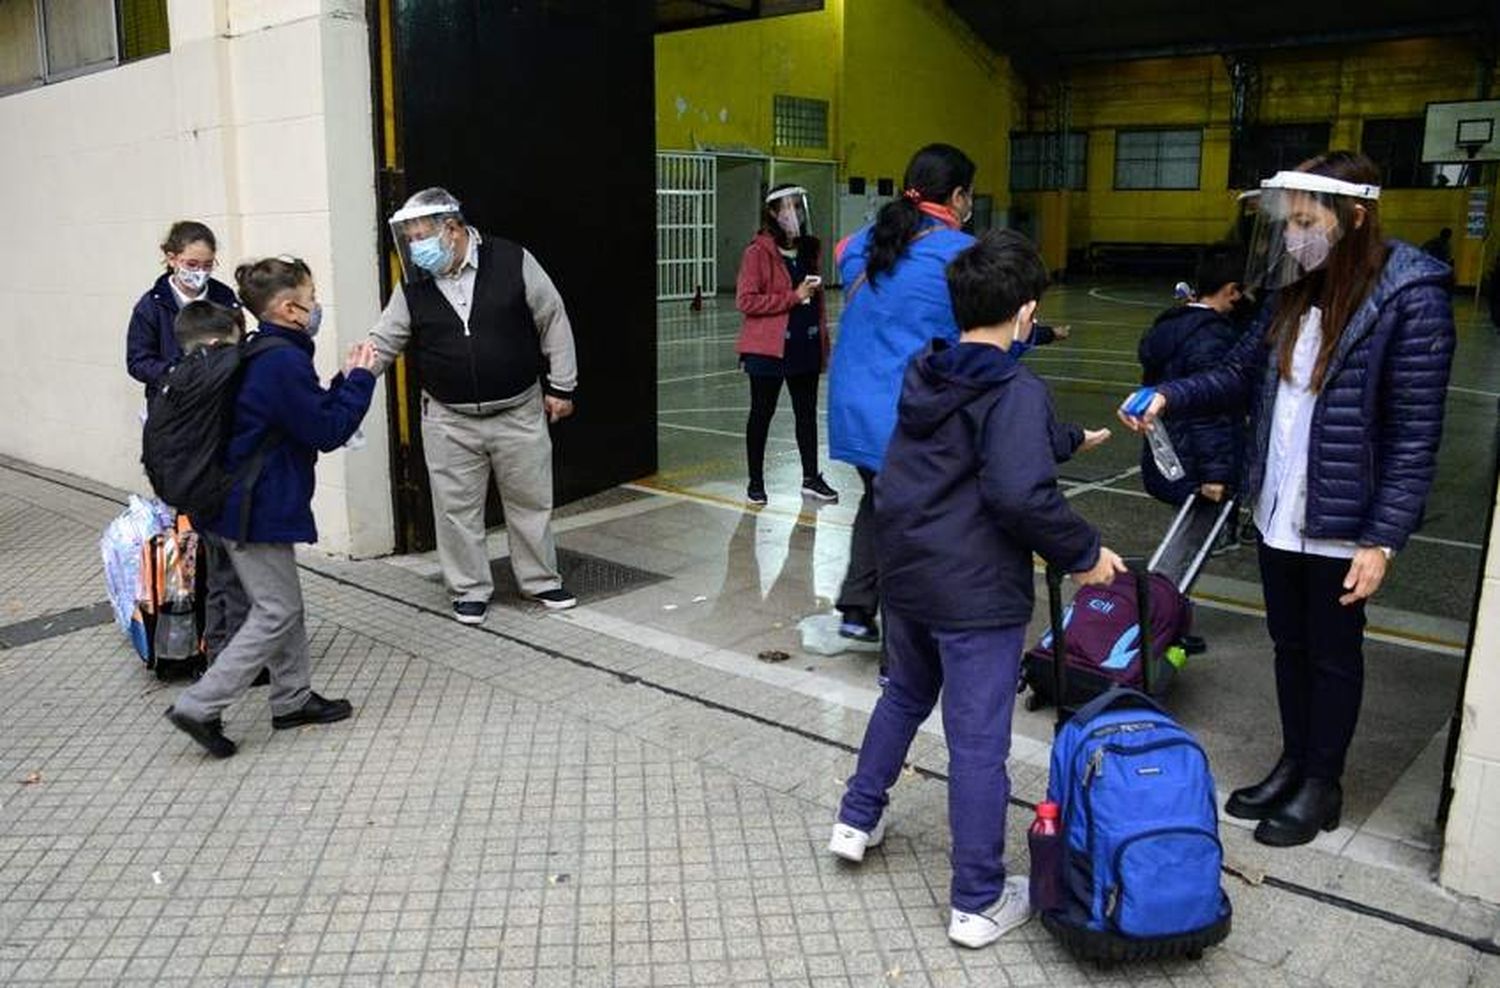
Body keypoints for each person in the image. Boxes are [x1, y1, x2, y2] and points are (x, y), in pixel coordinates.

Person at [1119, 151, 1456, 846]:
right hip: (1281, 507)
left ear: (1354, 217)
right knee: (1289, 645)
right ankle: (1293, 762)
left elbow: (1415, 433)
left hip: (1345, 523)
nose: (1294, 235)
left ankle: (1321, 783)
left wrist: (1382, 538)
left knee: (1333, 655)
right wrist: (1169, 393)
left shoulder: (1409, 297)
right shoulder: (1292, 291)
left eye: (1307, 220)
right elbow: (1242, 374)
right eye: (1289, 222)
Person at [829, 230, 1126, 948]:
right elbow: (1020, 494)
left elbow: (977, 435)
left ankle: (856, 819)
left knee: (902, 695)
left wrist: (1062, 439)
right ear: (1026, 314)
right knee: (976, 743)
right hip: (976, 595)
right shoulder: (1016, 388)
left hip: (911, 575)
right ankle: (977, 899)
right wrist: (1087, 553)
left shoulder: (926, 371)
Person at [166, 257, 377, 758]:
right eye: (311, 296)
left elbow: (308, 416)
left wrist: (343, 381)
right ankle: (199, 704)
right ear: (289, 307)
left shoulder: (267, 351)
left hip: (251, 502)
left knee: (285, 606)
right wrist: (363, 378)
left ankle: (293, 698)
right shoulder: (280, 360)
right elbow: (327, 431)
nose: (317, 305)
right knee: (276, 610)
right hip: (253, 508)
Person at [370, 188, 579, 624]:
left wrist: (562, 385)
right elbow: (386, 339)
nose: (415, 246)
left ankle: (541, 581)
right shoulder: (413, 282)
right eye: (409, 237)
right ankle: (468, 588)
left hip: (518, 410)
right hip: (449, 419)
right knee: (456, 510)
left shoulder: (513, 260)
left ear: (452, 228)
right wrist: (351, 376)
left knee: (530, 501)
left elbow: (552, 317)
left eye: (421, 235)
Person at [826, 144, 980, 643]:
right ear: (958, 196)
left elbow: (849, 253)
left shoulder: (868, 242)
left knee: (880, 500)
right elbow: (981, 341)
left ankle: (855, 605)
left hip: (853, 404)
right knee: (918, 522)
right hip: (902, 412)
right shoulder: (961, 255)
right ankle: (902, 642)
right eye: (968, 196)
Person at [734, 184, 838, 505]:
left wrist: (823, 342)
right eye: (788, 208)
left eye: (799, 207)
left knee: (806, 414)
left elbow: (816, 305)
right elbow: (746, 301)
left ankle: (811, 477)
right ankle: (755, 481)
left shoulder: (809, 250)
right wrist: (792, 297)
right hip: (769, 349)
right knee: (761, 414)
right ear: (774, 214)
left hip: (803, 346)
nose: (795, 214)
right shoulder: (757, 252)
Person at [171, 301, 255, 667]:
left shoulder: (179, 378)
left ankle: (217, 651)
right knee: (237, 583)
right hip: (225, 495)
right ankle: (240, 664)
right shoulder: (221, 381)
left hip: (197, 497)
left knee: (218, 580)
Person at [1136, 244, 1247, 507]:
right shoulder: (1211, 337)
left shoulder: (1169, 326)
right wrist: (1216, 474)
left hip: (1170, 452)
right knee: (1197, 539)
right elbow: (1210, 410)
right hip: (1198, 466)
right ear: (1231, 290)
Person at [127, 221, 241, 398]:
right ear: (172, 259)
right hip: (173, 400)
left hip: (217, 399)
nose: (200, 272)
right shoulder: (151, 305)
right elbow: (138, 362)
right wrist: (177, 373)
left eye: (208, 265)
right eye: (192, 264)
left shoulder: (225, 298)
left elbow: (238, 346)